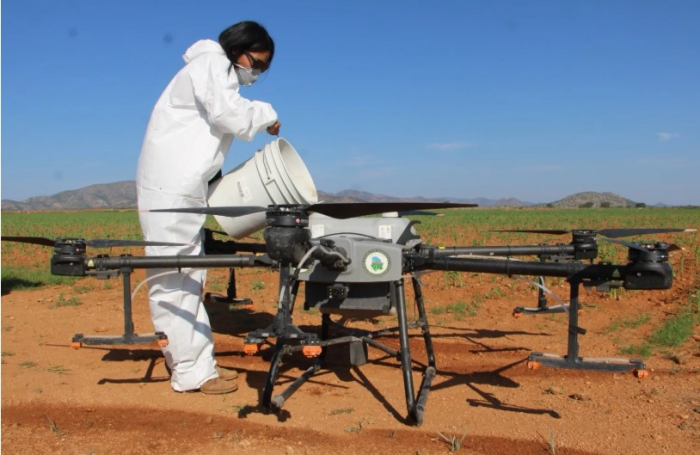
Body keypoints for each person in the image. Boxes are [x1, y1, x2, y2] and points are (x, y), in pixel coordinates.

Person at [136, 21, 280, 395]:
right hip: (171, 190)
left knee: (189, 275)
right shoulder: (211, 65)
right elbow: (228, 114)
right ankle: (190, 372)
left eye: (262, 68)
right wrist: (267, 115)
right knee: (174, 278)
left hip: (181, 189)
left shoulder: (211, 69)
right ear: (237, 49)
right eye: (256, 63)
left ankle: (198, 364)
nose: (255, 73)